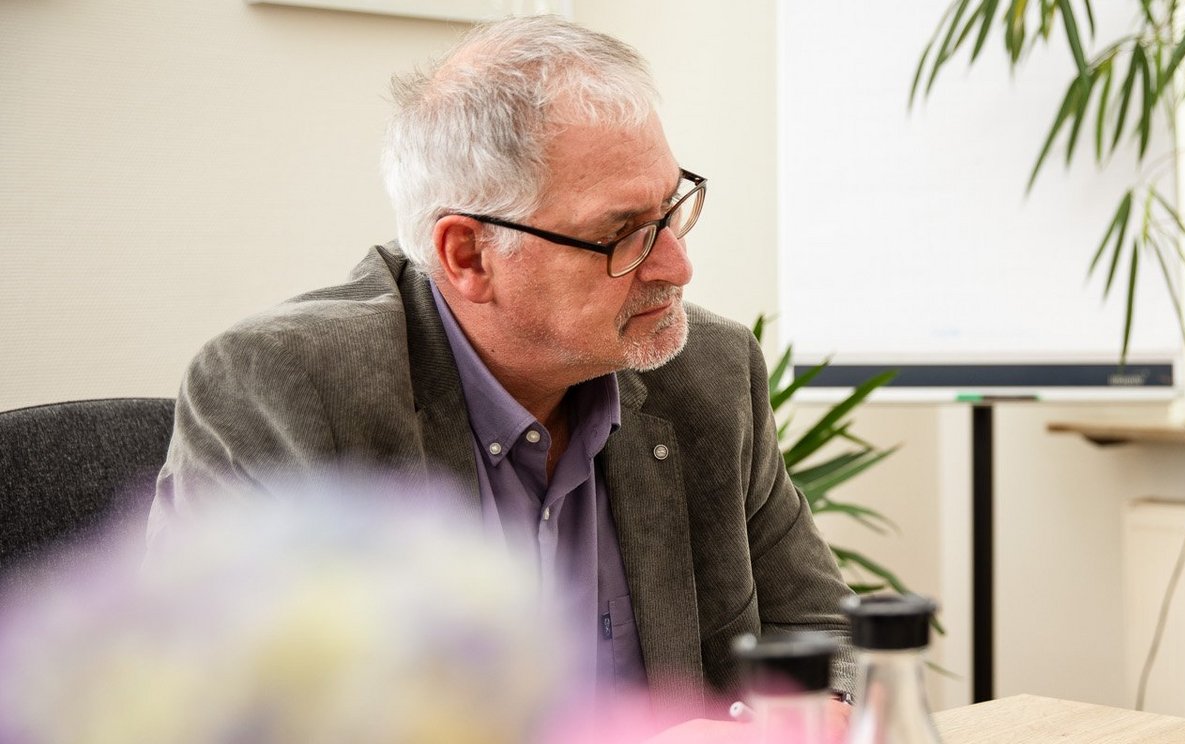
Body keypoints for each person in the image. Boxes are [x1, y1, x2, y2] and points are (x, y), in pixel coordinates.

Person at [147, 16, 855, 733]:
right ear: (468, 256)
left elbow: (826, 632)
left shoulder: (708, 371)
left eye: (672, 209)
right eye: (623, 234)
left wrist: (822, 711)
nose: (677, 266)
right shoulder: (284, 391)